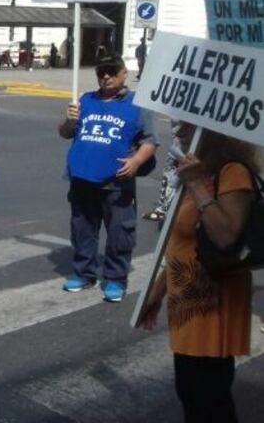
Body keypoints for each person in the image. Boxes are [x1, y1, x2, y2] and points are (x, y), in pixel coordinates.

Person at [139, 124, 259, 423]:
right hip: (188, 304)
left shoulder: (231, 172)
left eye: (187, 127)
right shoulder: (196, 171)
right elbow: (182, 243)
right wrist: (157, 291)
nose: (178, 132)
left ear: (212, 132)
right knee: (192, 393)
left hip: (212, 308)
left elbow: (225, 235)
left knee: (208, 402)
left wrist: (195, 186)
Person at [58, 55, 158, 302]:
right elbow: (65, 133)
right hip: (82, 178)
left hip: (116, 181)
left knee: (119, 232)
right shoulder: (85, 100)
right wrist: (70, 120)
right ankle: (84, 273)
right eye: (101, 72)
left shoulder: (136, 104)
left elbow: (150, 141)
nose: (106, 76)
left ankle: (115, 279)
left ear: (124, 73)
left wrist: (136, 161)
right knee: (82, 229)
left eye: (112, 71)